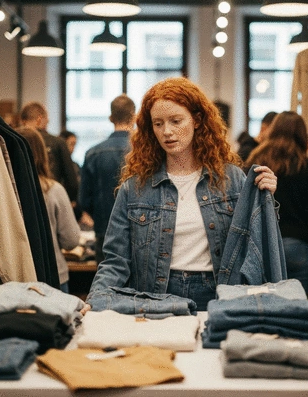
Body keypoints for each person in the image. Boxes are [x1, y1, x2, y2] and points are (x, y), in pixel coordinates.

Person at [81, 77, 277, 314]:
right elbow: (115, 260)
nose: (167, 132)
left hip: (218, 293)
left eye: (176, 121)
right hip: (155, 296)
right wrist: (95, 300)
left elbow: (255, 244)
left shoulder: (232, 179)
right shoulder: (135, 188)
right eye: (158, 124)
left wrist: (265, 200)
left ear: (196, 120)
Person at [244, 111, 308, 296]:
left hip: (262, 243)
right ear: (302, 135)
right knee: (296, 310)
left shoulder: (256, 161)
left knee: (263, 306)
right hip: (297, 245)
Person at [16, 126, 81, 293]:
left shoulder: (4, 190)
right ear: (42, 153)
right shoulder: (54, 190)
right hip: (54, 276)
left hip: (15, 279)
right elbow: (71, 240)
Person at [79, 94, 136, 264]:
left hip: (104, 231)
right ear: (134, 116)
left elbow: (84, 200)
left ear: (111, 118)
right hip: (139, 232)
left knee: (107, 283)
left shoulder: (93, 153)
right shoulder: (144, 152)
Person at [20, 102, 79, 204]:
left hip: (19, 200)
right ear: (39, 119)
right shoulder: (58, 143)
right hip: (49, 198)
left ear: (23, 120)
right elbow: (72, 182)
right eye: (47, 121)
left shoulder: (11, 140)